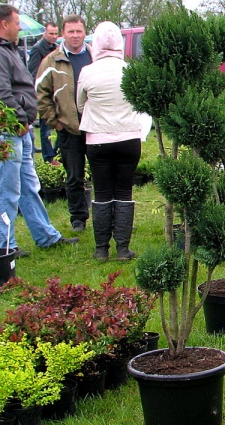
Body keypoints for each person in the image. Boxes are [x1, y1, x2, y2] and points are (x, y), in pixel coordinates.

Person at [0, 4, 78, 255]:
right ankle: (4, 246)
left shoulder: (5, 50)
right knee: (6, 191)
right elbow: (0, 95)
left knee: (28, 187)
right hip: (5, 131)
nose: (20, 27)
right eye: (17, 22)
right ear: (4, 24)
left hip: (18, 130)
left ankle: (46, 236)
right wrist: (19, 121)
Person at [77, 21, 141, 262]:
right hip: (128, 138)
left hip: (97, 140)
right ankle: (123, 249)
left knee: (102, 192)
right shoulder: (129, 70)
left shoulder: (87, 72)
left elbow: (80, 105)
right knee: (124, 191)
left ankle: (101, 248)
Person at [37, 14, 91, 233]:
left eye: (79, 31)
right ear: (63, 33)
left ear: (85, 32)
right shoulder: (51, 61)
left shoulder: (94, 57)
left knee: (102, 174)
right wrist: (55, 122)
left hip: (96, 128)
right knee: (73, 176)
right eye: (71, 31)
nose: (75, 36)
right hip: (68, 129)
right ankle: (78, 218)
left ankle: (107, 216)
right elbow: (41, 94)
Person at [27, 22, 59, 164]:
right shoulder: (38, 49)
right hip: (45, 94)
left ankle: (57, 154)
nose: (53, 36)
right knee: (46, 127)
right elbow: (33, 73)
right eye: (51, 33)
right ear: (44, 33)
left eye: (56, 34)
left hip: (57, 93)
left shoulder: (57, 48)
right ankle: (48, 156)